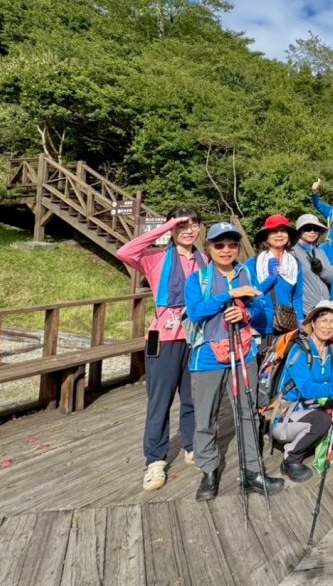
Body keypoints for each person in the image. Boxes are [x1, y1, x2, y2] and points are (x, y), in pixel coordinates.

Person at [184, 222, 283, 500]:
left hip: (243, 352)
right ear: (209, 248)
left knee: (247, 412)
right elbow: (195, 313)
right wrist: (228, 295)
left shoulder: (245, 272)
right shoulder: (199, 279)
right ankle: (209, 470)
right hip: (207, 357)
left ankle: (253, 471)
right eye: (219, 244)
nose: (226, 250)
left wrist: (245, 314)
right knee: (206, 415)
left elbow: (260, 304)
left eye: (232, 244)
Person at [116, 208, 205, 491]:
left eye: (194, 224)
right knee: (159, 401)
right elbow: (126, 251)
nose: (189, 230)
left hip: (194, 337)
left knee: (192, 396)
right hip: (163, 338)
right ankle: (155, 460)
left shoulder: (203, 261)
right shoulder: (157, 258)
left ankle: (191, 444)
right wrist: (166, 227)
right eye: (183, 225)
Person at [270, 300, 333, 482]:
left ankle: (312, 436)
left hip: (313, 408)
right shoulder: (300, 350)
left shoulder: (332, 351)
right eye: (323, 320)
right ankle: (291, 458)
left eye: (332, 322)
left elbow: (330, 382)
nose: (328, 326)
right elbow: (307, 390)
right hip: (288, 412)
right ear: (313, 322)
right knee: (322, 421)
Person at [247, 215, 304, 333]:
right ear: (266, 237)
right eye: (273, 231)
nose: (279, 235)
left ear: (288, 236)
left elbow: (297, 297)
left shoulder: (295, 263)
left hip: (287, 325)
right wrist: (270, 279)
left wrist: (300, 321)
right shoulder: (253, 263)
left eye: (283, 231)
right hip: (260, 326)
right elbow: (248, 295)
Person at [292, 213, 333, 316]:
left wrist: (322, 271)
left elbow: (332, 278)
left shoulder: (320, 252)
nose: (312, 231)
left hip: (326, 307)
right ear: (299, 231)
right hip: (306, 311)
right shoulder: (292, 253)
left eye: (315, 228)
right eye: (308, 228)